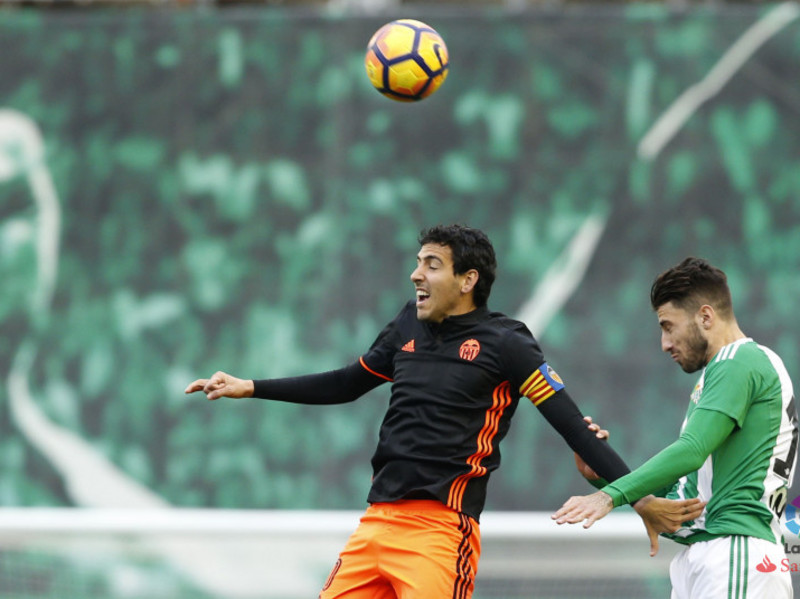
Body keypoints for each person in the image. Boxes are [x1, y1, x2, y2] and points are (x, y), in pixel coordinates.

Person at [186, 224, 702, 599]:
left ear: (467, 279)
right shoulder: (406, 326)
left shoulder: (507, 343)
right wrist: (249, 387)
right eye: (418, 262)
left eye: (431, 264)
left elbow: (574, 427)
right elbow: (347, 383)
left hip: (439, 532)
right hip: (375, 524)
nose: (417, 274)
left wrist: (639, 499)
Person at [553, 257, 799, 598]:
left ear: (706, 317)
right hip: (715, 555)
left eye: (668, 326)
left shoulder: (739, 361)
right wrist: (605, 477)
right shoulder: (726, 372)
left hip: (736, 556)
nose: (664, 343)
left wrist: (609, 496)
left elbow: (692, 450)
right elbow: (686, 497)